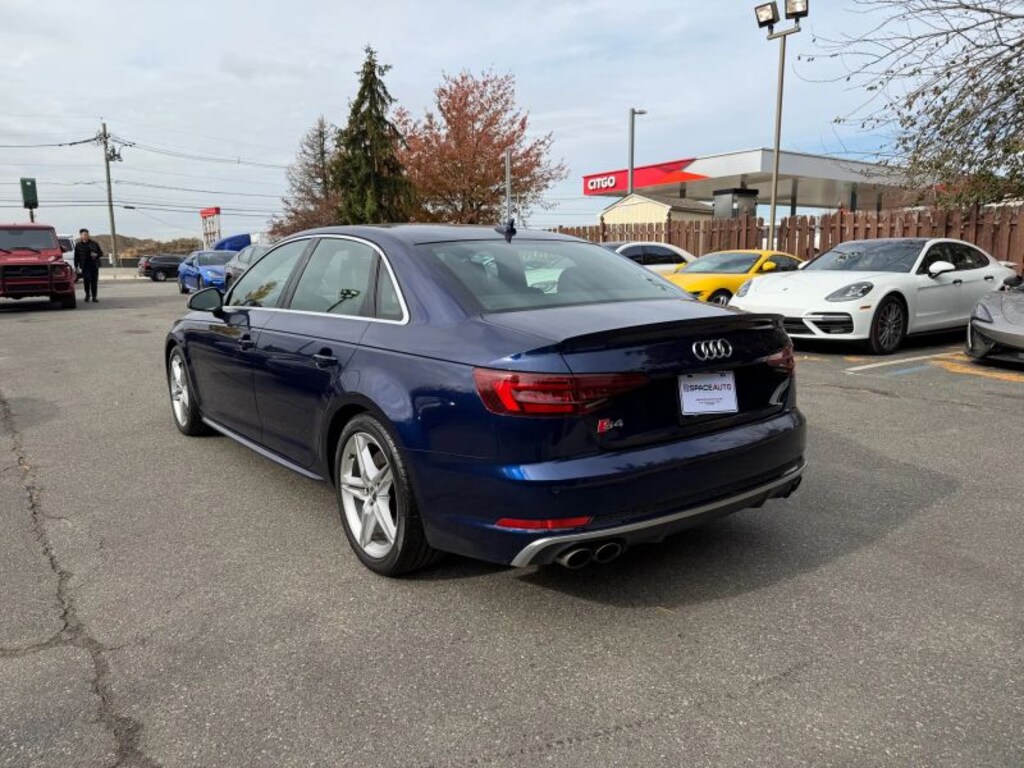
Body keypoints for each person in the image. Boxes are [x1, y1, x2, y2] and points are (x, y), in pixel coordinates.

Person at [73, 228, 103, 302]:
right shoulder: (78, 245)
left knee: (94, 281)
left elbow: (101, 253)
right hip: (84, 266)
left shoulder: (94, 243)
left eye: (87, 234)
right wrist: (76, 266)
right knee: (86, 281)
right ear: (81, 235)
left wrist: (96, 254)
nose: (86, 236)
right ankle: (87, 294)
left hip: (94, 265)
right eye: (84, 234)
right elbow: (76, 256)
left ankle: (94, 297)